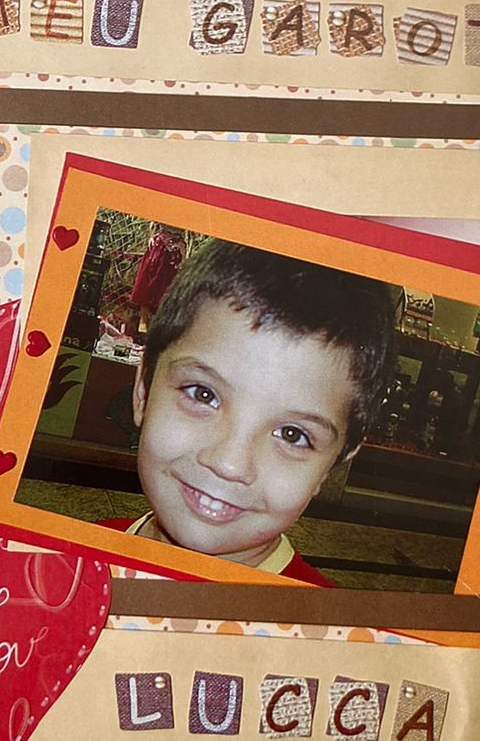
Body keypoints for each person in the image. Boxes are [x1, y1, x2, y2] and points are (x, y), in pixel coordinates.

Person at [103, 239, 396, 584]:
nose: (229, 464)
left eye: (292, 435)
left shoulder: (327, 618)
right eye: (203, 395)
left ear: (334, 463)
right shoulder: (62, 555)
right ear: (143, 389)